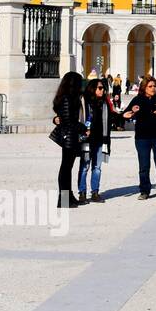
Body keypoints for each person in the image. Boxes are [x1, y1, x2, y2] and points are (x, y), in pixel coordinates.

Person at [123, 76, 156, 200]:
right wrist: (129, 113)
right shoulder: (138, 99)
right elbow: (126, 113)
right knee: (144, 166)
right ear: (144, 87)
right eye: (150, 86)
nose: (153, 88)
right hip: (142, 138)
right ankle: (145, 190)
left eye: (155, 86)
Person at [51, 72, 85, 210]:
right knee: (65, 167)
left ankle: (69, 196)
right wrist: (83, 128)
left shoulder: (71, 97)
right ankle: (63, 200)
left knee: (68, 167)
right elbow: (67, 120)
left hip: (71, 134)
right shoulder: (67, 98)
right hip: (69, 136)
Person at [79, 78, 112, 204]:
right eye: (99, 88)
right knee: (84, 167)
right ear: (92, 88)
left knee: (97, 167)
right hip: (87, 139)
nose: (102, 90)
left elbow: (110, 118)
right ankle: (82, 193)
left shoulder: (104, 103)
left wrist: (122, 115)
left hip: (100, 139)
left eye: (103, 88)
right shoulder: (84, 101)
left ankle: (95, 192)